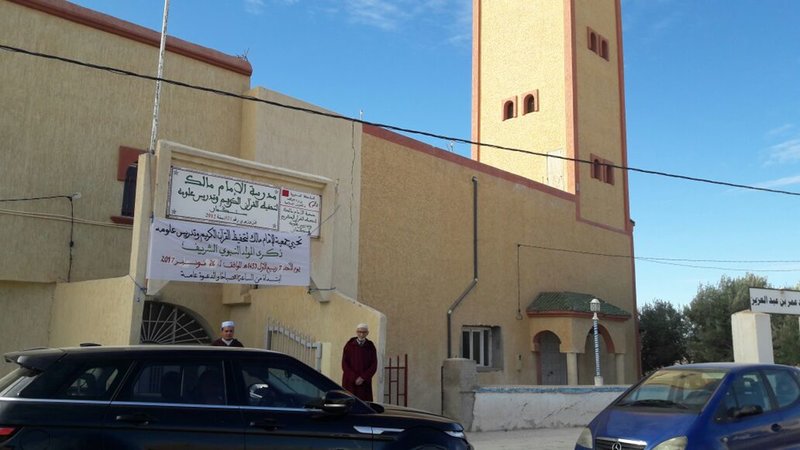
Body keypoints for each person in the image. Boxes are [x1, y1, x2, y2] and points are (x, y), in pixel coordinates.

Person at [341, 323, 377, 401]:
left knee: (364, 403)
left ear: (367, 333)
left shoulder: (370, 346)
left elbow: (373, 365)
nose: (361, 334)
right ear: (356, 332)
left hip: (364, 383)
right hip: (350, 382)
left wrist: (363, 377)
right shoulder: (349, 345)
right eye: (359, 332)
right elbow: (344, 364)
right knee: (349, 402)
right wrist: (354, 378)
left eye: (364, 332)